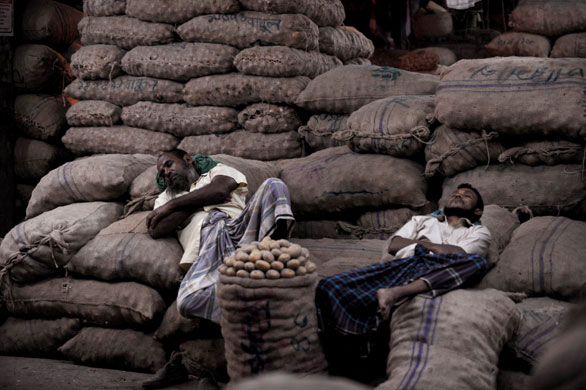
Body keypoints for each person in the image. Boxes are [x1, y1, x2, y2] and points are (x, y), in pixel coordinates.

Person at [142, 149, 294, 389]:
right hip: (208, 249)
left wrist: (177, 206)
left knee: (274, 185)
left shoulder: (218, 172)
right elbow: (158, 228)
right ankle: (214, 360)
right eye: (161, 171)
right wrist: (193, 201)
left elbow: (221, 188)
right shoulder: (165, 197)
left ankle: (268, 255)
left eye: (169, 164)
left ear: (188, 160)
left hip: (241, 232)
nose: (166, 172)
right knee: (188, 301)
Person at [315, 183, 492, 382]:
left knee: (477, 262)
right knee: (328, 287)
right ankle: (343, 367)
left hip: (438, 270)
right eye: (455, 194)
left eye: (466, 195)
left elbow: (461, 255)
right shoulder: (422, 220)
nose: (458, 196)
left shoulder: (480, 232)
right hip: (403, 266)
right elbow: (395, 244)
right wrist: (435, 247)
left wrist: (420, 245)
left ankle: (395, 293)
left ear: (478, 210)